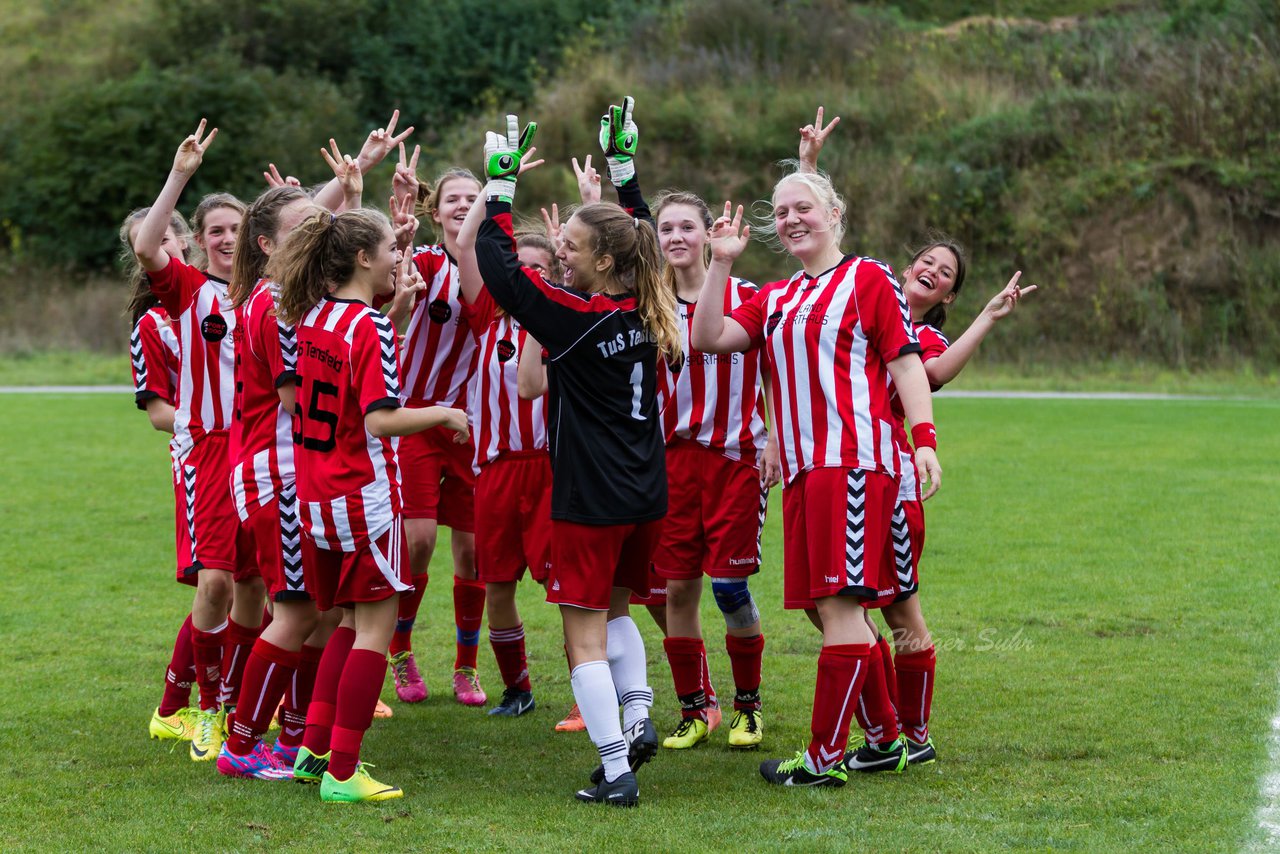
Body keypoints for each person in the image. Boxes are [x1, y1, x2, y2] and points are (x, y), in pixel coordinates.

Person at [690, 162, 942, 787]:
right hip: (804, 472)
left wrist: (925, 440)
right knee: (826, 609)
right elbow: (708, 337)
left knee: (841, 605)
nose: (791, 219)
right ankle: (884, 740)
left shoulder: (868, 278)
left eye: (803, 207)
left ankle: (825, 758)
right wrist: (720, 261)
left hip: (855, 464)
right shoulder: (774, 297)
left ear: (833, 215)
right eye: (780, 213)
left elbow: (907, 365)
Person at [474, 101, 680, 807]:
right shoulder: (652, 307)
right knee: (617, 612)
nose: (560, 250)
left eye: (569, 243)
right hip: (645, 492)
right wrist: (623, 174)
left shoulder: (576, 319)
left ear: (602, 257)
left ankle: (616, 768)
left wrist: (499, 191)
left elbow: (500, 272)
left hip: (590, 497)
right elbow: (645, 238)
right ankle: (641, 713)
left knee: (583, 633)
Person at [273, 206, 469, 802]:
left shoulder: (314, 320)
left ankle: (313, 748)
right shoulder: (369, 327)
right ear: (363, 258)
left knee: (346, 624)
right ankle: (343, 772)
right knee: (373, 634)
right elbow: (381, 420)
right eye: (390, 248)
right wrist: (444, 413)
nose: (398, 258)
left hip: (316, 496)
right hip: (365, 498)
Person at [133, 120, 263, 762]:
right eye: (216, 230)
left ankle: (235, 698)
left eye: (237, 230)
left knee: (258, 589)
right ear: (203, 241)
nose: (226, 240)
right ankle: (206, 710)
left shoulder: (272, 293)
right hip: (213, 451)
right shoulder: (188, 293)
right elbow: (148, 243)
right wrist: (181, 175)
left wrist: (347, 189)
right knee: (214, 584)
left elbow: (310, 234)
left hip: (267, 452)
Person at [649, 190, 774, 751]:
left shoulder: (746, 296)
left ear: (708, 233)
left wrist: (772, 435)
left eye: (686, 227)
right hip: (671, 462)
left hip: (734, 458)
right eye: (666, 228)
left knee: (728, 587)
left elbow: (775, 369)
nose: (676, 237)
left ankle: (748, 707)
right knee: (678, 589)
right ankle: (694, 710)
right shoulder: (646, 303)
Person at [383, 147, 490, 707]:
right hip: (417, 418)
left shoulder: (492, 265)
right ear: (435, 210)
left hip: (471, 426)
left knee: (473, 554)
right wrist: (398, 230)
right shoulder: (423, 262)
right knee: (420, 541)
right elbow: (391, 289)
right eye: (453, 199)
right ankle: (399, 649)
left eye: (473, 199)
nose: (463, 207)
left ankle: (466, 666)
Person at [124, 207, 200, 741]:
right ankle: (173, 707)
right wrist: (215, 418)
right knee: (219, 585)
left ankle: (258, 696)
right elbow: (158, 414)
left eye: (168, 233)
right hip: (199, 458)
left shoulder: (227, 298)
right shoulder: (152, 325)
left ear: (186, 239)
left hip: (252, 453)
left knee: (260, 582)